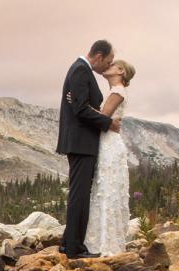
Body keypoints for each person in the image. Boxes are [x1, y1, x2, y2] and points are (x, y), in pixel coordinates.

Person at [55, 39, 122, 258]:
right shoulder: (81, 70)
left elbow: (80, 105)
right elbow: (81, 110)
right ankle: (75, 249)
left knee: (80, 193)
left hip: (80, 141)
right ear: (99, 56)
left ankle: (68, 243)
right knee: (80, 195)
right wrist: (107, 123)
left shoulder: (80, 70)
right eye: (108, 61)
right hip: (81, 142)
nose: (107, 66)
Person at [85, 59, 136, 256]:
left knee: (107, 190)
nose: (108, 66)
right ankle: (102, 242)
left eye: (113, 65)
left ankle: (105, 244)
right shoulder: (115, 90)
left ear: (121, 71)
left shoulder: (117, 91)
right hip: (107, 142)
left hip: (110, 145)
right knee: (104, 189)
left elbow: (103, 116)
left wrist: (77, 104)